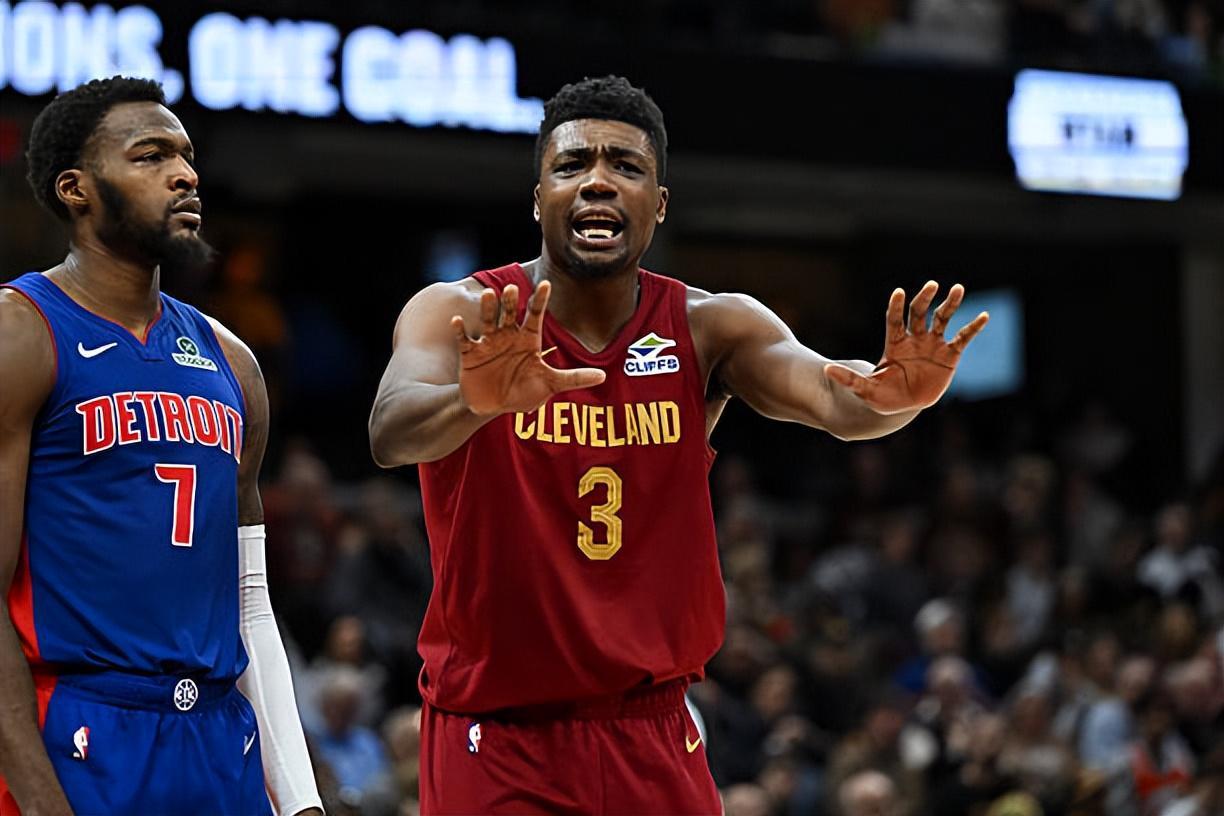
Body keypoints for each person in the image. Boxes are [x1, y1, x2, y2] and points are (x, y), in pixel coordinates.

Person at [368, 74, 989, 814]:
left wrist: (897, 397)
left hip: (653, 728)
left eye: (625, 166)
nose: (598, 181)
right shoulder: (460, 312)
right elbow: (390, 430)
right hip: (499, 734)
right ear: (539, 199)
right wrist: (473, 401)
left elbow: (834, 396)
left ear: (658, 204)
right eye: (572, 164)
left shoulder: (709, 326)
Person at [0, 77, 321, 816]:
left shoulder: (233, 360)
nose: (184, 175)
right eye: (151, 156)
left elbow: (250, 601)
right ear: (76, 189)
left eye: (187, 157)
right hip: (81, 728)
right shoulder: (22, 333)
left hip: (218, 738)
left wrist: (303, 800)